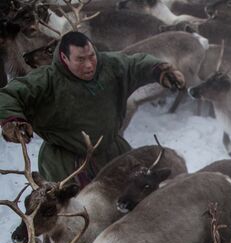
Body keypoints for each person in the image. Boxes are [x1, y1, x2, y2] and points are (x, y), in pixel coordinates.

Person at [0, 31, 185, 184]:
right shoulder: (46, 80)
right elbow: (7, 95)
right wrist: (12, 122)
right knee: (76, 213)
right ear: (64, 58)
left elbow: (136, 63)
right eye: (80, 60)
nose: (89, 65)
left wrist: (161, 71)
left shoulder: (110, 66)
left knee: (132, 202)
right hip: (67, 162)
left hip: (112, 151)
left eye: (91, 57)